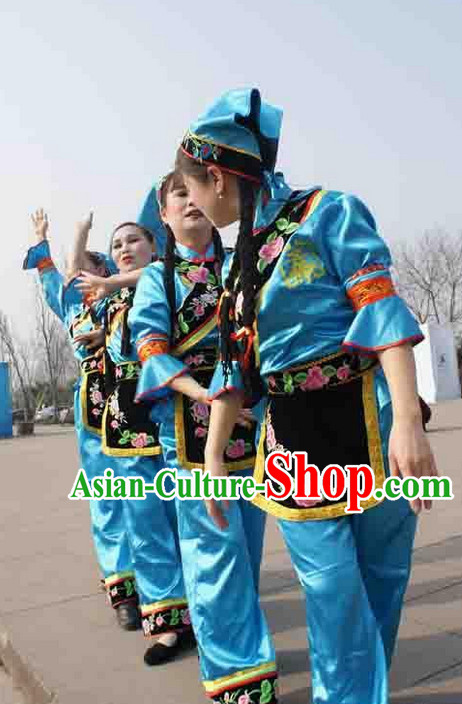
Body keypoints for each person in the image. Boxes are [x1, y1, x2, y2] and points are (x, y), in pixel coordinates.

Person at [175, 88, 438, 704]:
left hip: (369, 420)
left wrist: (409, 422)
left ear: (215, 177)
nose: (191, 204)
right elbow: (235, 373)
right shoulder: (236, 265)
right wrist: (214, 458)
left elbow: (380, 309)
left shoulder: (328, 212)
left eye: (190, 191)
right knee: (329, 588)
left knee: (380, 577)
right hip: (291, 440)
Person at [128, 171, 267, 677]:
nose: (188, 202)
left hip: (253, 423)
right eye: (176, 196)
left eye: (193, 192)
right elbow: (150, 350)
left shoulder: (242, 265)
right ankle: (236, 672)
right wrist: (207, 395)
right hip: (190, 426)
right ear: (162, 216)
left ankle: (234, 640)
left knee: (247, 549)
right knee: (214, 550)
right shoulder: (156, 278)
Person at [81, 221, 194, 665]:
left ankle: (202, 614)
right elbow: (78, 283)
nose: (124, 248)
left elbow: (160, 269)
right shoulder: (109, 302)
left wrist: (110, 280)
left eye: (133, 240)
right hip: (124, 425)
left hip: (169, 417)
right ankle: (167, 625)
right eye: (116, 244)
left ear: (154, 245)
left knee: (186, 522)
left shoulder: (171, 278)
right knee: (145, 530)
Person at [23, 210, 139, 631]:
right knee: (107, 501)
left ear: (104, 272)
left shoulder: (123, 298)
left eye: (87, 270)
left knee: (147, 501)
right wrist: (60, 236)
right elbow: (54, 274)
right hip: (92, 412)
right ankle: (123, 589)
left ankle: (162, 584)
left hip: (135, 404)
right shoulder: (73, 306)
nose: (77, 278)